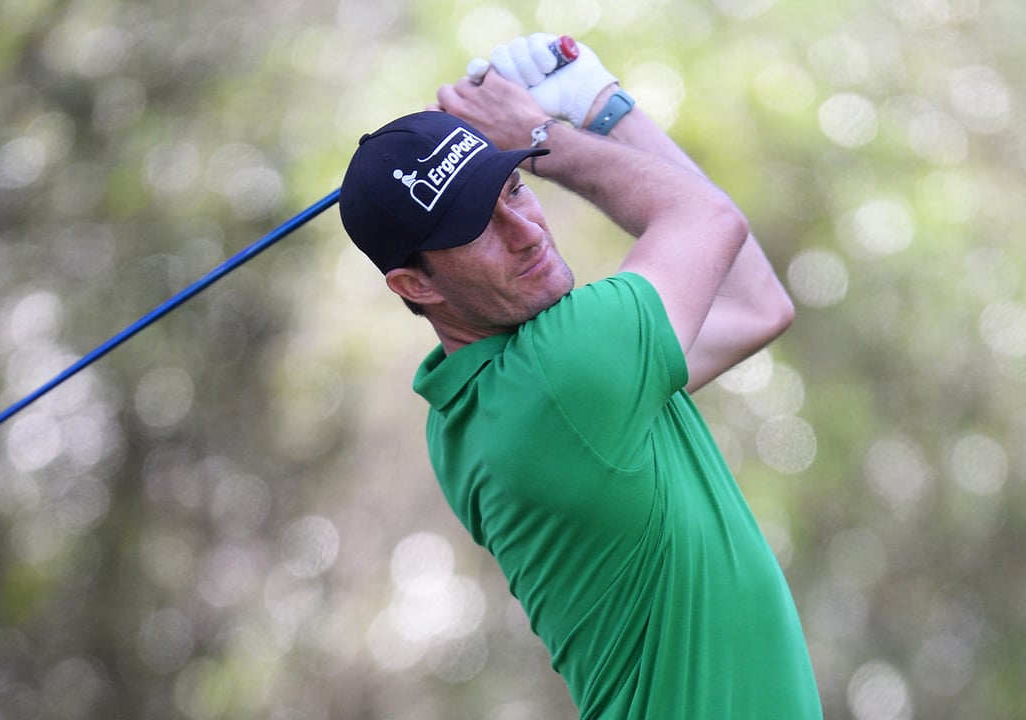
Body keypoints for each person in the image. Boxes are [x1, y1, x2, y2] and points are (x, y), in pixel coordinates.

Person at [338, 32, 822, 719]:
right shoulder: (561, 373)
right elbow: (708, 218)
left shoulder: (467, 410)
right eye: (476, 225)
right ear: (415, 284)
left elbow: (753, 306)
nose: (527, 230)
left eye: (514, 187)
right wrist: (558, 125)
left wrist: (598, 110)